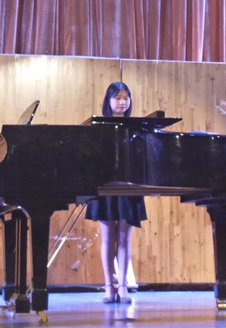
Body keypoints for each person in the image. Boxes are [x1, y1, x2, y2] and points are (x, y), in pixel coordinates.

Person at [85, 82, 147, 304]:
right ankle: (108, 287)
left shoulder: (136, 128)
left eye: (126, 97)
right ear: (108, 100)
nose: (122, 102)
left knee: (123, 238)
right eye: (118, 97)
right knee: (107, 238)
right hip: (105, 186)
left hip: (129, 185)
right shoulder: (98, 126)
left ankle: (123, 286)